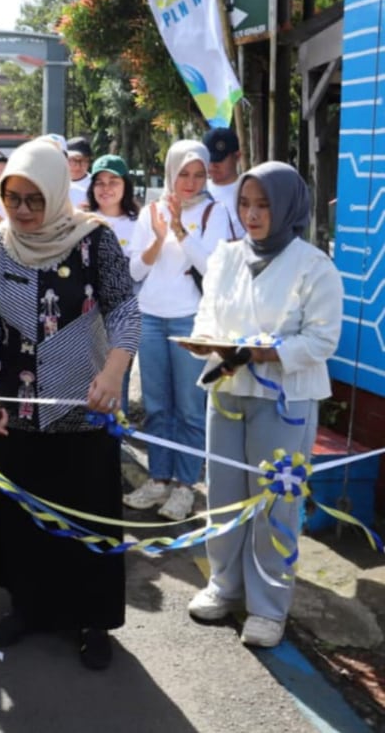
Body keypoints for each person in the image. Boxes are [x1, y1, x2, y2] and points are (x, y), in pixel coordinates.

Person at [0, 139, 139, 670]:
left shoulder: (94, 241)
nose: (22, 210)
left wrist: (113, 373)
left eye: (35, 199)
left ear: (59, 192)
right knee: (24, 517)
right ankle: (29, 606)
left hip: (83, 407)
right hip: (16, 411)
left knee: (85, 513)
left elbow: (125, 309)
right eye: (12, 197)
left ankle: (92, 619)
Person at [183, 162, 340, 648]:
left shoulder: (315, 266)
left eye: (263, 205)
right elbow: (208, 313)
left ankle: (269, 607)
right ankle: (223, 585)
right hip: (228, 389)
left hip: (284, 400)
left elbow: (322, 340)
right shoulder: (226, 257)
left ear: (288, 207)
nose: (251, 215)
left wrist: (268, 351)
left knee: (275, 501)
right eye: (245, 204)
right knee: (226, 493)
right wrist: (210, 344)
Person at [124, 140, 235, 521]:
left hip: (192, 319)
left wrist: (179, 231)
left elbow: (213, 268)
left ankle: (186, 486)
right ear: (170, 172)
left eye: (198, 173)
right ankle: (158, 478)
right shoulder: (149, 211)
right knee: (156, 406)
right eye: (183, 173)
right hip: (150, 316)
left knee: (189, 407)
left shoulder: (215, 212)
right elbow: (134, 272)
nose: (190, 182)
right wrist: (158, 236)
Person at [86, 154, 141, 413]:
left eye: (113, 181)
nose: (106, 188)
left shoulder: (140, 224)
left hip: (122, 319)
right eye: (100, 182)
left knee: (118, 381)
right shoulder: (80, 222)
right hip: (86, 321)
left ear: (126, 186)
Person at [203, 127, 245, 238]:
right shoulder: (198, 189)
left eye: (219, 159)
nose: (213, 165)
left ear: (237, 156)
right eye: (209, 159)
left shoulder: (248, 190)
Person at [66, 136, 93, 207]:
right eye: (73, 160)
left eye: (83, 161)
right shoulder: (56, 185)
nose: (78, 166)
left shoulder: (95, 186)